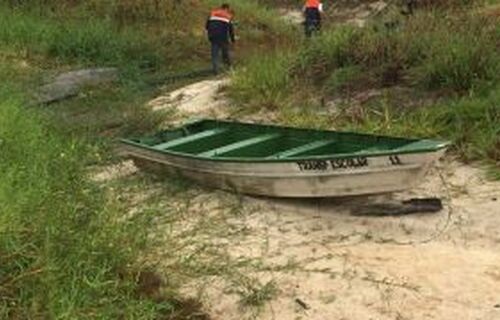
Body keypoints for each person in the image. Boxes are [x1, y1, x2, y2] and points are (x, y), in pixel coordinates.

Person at [206, 3, 235, 74]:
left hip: (212, 36)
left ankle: (215, 70)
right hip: (223, 37)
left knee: (214, 53)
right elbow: (231, 30)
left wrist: (210, 33)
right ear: (227, 9)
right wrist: (233, 39)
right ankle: (229, 68)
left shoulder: (213, 13)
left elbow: (207, 25)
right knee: (225, 52)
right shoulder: (228, 16)